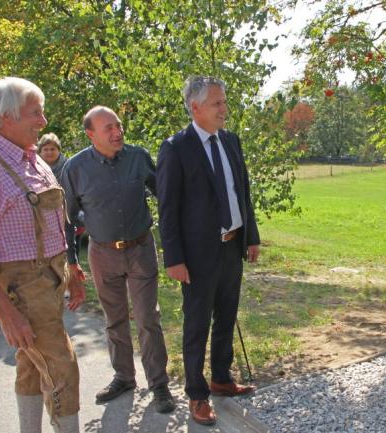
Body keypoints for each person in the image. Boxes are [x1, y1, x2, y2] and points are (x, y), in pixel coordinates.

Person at [0, 77, 85, 433]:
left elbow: (55, 222)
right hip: (21, 286)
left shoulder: (32, 159)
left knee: (32, 364)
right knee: (61, 366)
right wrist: (6, 314)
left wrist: (71, 272)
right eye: (35, 113)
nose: (43, 122)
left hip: (50, 280)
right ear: (6, 117)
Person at [156, 76, 260, 426]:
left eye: (224, 101)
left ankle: (221, 378)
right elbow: (167, 208)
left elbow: (242, 192)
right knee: (197, 325)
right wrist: (173, 258)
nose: (224, 108)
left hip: (232, 247)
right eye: (217, 103)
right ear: (195, 107)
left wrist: (251, 236)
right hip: (197, 255)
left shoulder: (231, 141)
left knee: (227, 317)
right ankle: (197, 394)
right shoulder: (176, 148)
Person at [61, 106, 175, 413]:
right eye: (108, 128)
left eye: (119, 125)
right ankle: (124, 377)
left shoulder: (138, 157)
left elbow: (165, 196)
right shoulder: (75, 168)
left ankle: (159, 384)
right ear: (91, 134)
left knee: (148, 317)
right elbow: (67, 220)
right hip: (102, 253)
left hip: (140, 248)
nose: (117, 132)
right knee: (114, 320)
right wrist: (72, 263)